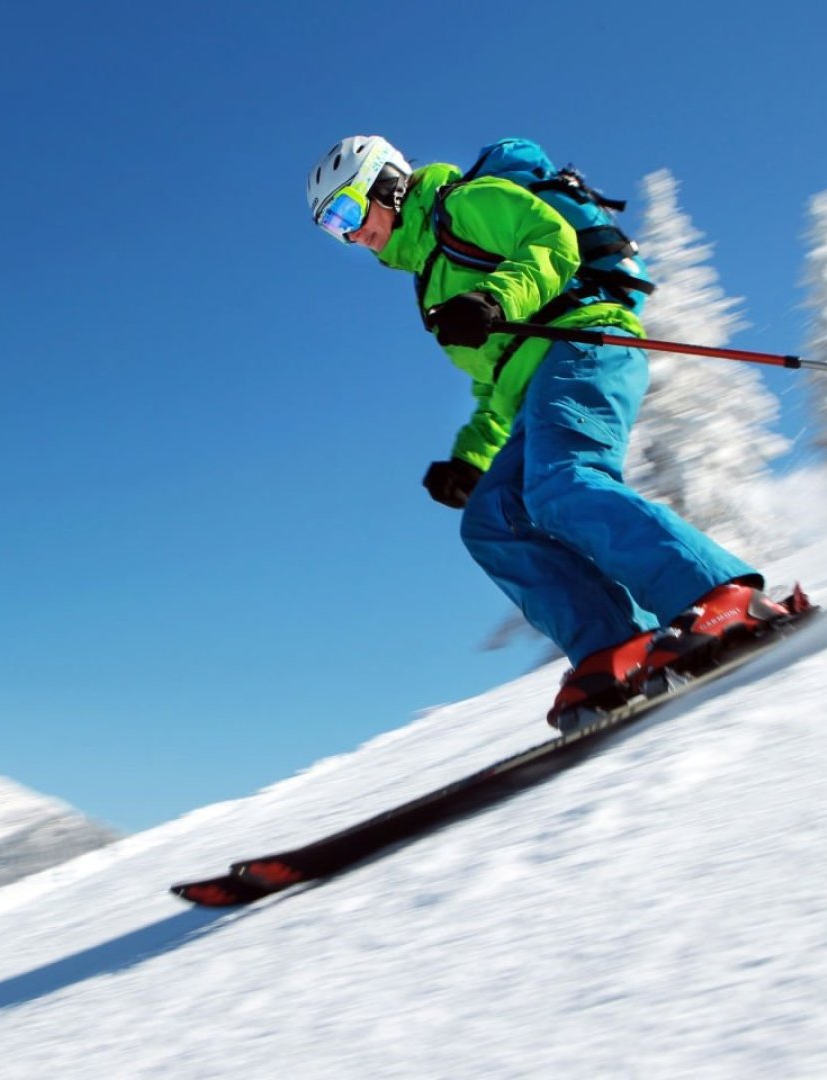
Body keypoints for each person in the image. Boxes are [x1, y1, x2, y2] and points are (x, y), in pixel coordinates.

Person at [306, 135, 789, 730]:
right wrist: (470, 460)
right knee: (489, 522)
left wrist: (493, 294)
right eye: (333, 227)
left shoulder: (462, 204)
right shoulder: (428, 281)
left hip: (584, 343)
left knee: (562, 483)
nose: (350, 234)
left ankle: (723, 598)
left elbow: (550, 241)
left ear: (387, 184)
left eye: (347, 211)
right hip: (534, 385)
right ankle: (612, 648)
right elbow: (494, 379)